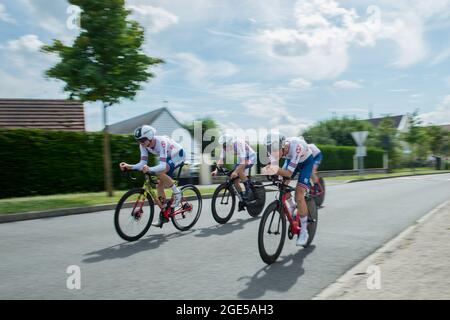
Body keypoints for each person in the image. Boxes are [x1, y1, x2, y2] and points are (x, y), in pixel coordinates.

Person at [119, 125, 185, 227]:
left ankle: (177, 193)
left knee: (159, 172)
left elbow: (162, 165)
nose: (140, 143)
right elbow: (142, 163)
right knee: (159, 185)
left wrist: (149, 169)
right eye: (138, 140)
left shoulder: (161, 142)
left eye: (142, 140)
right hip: (168, 157)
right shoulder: (143, 145)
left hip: (178, 155)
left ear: (149, 137)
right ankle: (164, 215)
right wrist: (129, 166)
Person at [262, 133, 314, 246]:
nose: (272, 154)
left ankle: (304, 231)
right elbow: (274, 169)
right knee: (282, 184)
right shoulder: (278, 150)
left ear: (282, 147)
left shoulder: (296, 146)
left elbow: (289, 173)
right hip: (292, 159)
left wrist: (273, 169)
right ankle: (292, 205)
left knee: (299, 195)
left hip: (306, 162)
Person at [211, 133, 257, 211]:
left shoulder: (238, 144)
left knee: (238, 171)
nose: (224, 148)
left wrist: (236, 171)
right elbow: (221, 159)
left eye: (225, 145)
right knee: (235, 180)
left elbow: (244, 161)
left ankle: (248, 189)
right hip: (242, 159)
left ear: (230, 143)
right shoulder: (225, 147)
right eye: (223, 145)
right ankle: (243, 199)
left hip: (250, 157)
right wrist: (216, 170)